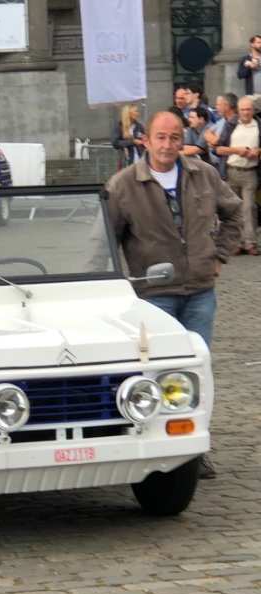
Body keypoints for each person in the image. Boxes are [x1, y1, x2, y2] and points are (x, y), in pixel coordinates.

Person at [104, 110, 243, 478]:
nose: (168, 145)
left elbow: (235, 214)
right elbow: (102, 243)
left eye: (175, 137)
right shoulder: (122, 185)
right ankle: (154, 447)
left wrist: (219, 256)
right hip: (154, 296)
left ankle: (193, 451)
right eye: (161, 137)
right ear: (146, 141)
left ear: (183, 140)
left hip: (200, 292)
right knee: (159, 374)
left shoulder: (204, 175)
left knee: (196, 373)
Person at [215, 96, 261, 255]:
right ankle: (236, 243)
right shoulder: (231, 125)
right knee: (234, 209)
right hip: (232, 170)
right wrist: (237, 150)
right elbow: (219, 149)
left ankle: (250, 242)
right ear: (238, 111)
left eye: (249, 109)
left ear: (253, 110)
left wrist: (258, 151)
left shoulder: (258, 125)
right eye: (243, 110)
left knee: (249, 208)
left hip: (250, 171)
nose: (246, 113)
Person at [237, 35, 261, 104]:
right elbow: (240, 75)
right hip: (252, 95)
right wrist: (249, 67)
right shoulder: (245, 59)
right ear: (252, 44)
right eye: (258, 43)